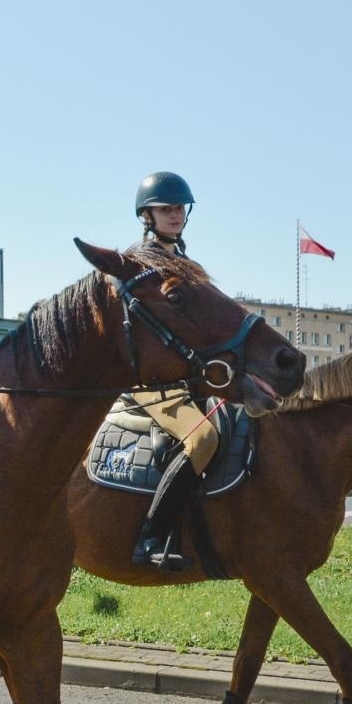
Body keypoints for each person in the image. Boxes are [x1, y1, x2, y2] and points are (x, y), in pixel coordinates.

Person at [127, 171, 221, 570]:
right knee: (203, 440)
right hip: (154, 384)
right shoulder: (139, 263)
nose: (176, 214)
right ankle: (150, 539)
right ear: (146, 215)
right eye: (166, 208)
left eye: (180, 208)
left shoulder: (187, 263)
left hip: (192, 379)